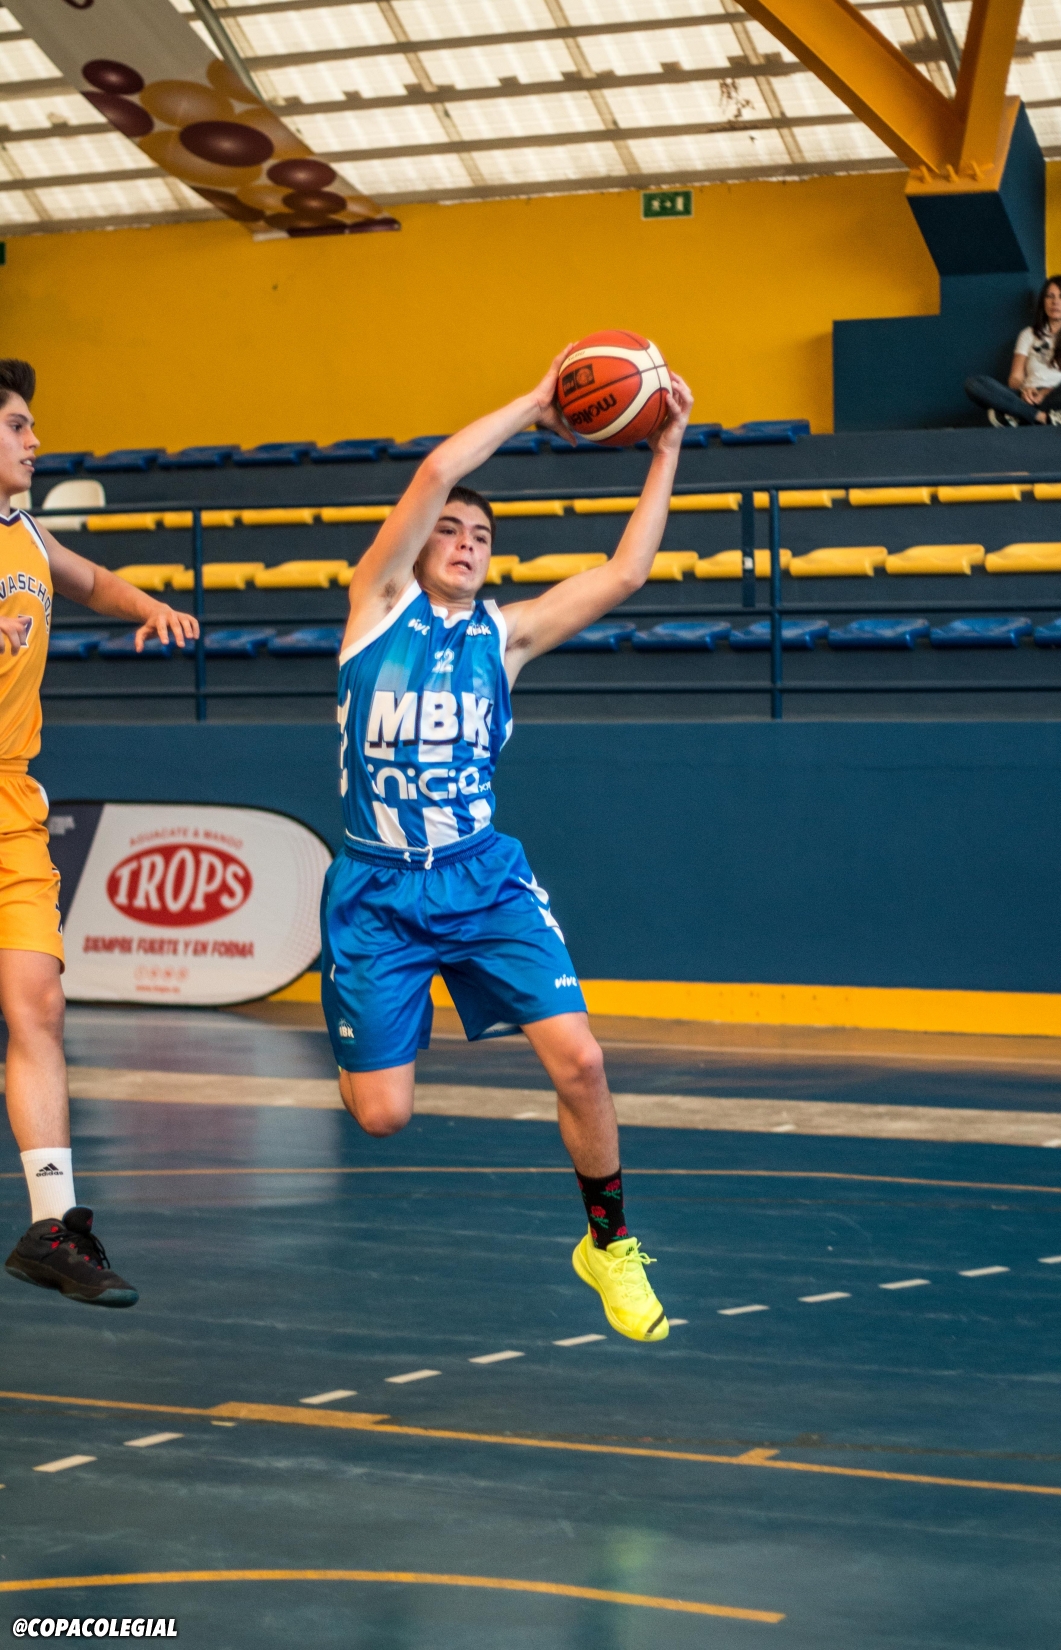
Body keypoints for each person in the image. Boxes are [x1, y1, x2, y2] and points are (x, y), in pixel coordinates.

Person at [322, 349, 692, 1343]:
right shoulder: (374, 609)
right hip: (376, 893)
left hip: (484, 881)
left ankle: (608, 1245)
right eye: (449, 530)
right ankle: (376, 1016)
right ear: (415, 546)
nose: (465, 542)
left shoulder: (507, 637)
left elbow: (626, 572)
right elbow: (437, 470)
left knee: (582, 1062)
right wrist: (536, 402)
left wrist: (665, 445)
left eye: (481, 536)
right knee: (381, 1117)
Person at [0, 359, 199, 1307]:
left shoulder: (26, 532)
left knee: (37, 1004)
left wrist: (149, 607)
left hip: (10, 803)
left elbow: (90, 582)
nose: (35, 440)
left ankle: (52, 1228)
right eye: (18, 425)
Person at [965, 275, 1061, 428]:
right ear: (1043, 302)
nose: (1055, 302)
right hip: (1027, 396)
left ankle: (1017, 416)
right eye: (1050, 296)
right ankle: (1042, 417)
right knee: (974, 384)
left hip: (1059, 394)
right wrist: (1025, 390)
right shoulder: (1028, 334)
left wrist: (1046, 392)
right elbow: (1015, 378)